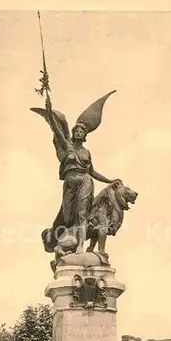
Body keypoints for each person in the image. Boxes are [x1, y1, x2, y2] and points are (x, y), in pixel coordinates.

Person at [35, 92, 122, 254]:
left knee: (82, 215)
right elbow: (58, 132)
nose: (79, 133)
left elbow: (93, 172)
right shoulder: (67, 147)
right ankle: (66, 242)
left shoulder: (86, 153)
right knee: (68, 218)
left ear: (85, 136)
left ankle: (81, 246)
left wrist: (110, 180)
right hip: (70, 184)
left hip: (85, 182)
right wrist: (50, 113)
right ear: (73, 134)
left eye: (82, 132)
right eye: (77, 131)